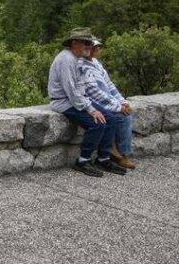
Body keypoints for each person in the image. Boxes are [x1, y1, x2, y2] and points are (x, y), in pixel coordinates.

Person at [47, 28, 126, 177]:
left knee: (112, 119)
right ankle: (82, 161)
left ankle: (103, 159)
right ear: (74, 43)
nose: (90, 46)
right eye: (86, 43)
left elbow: (80, 88)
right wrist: (91, 109)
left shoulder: (76, 58)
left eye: (90, 43)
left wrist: (90, 105)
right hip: (64, 103)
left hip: (78, 100)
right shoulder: (67, 60)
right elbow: (72, 91)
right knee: (97, 123)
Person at [79, 37, 135, 170]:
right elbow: (93, 92)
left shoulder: (96, 63)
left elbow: (109, 85)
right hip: (95, 101)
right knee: (120, 117)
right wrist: (117, 106)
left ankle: (120, 153)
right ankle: (116, 153)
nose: (96, 49)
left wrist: (122, 101)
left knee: (125, 115)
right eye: (93, 46)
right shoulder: (82, 65)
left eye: (98, 46)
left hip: (106, 100)